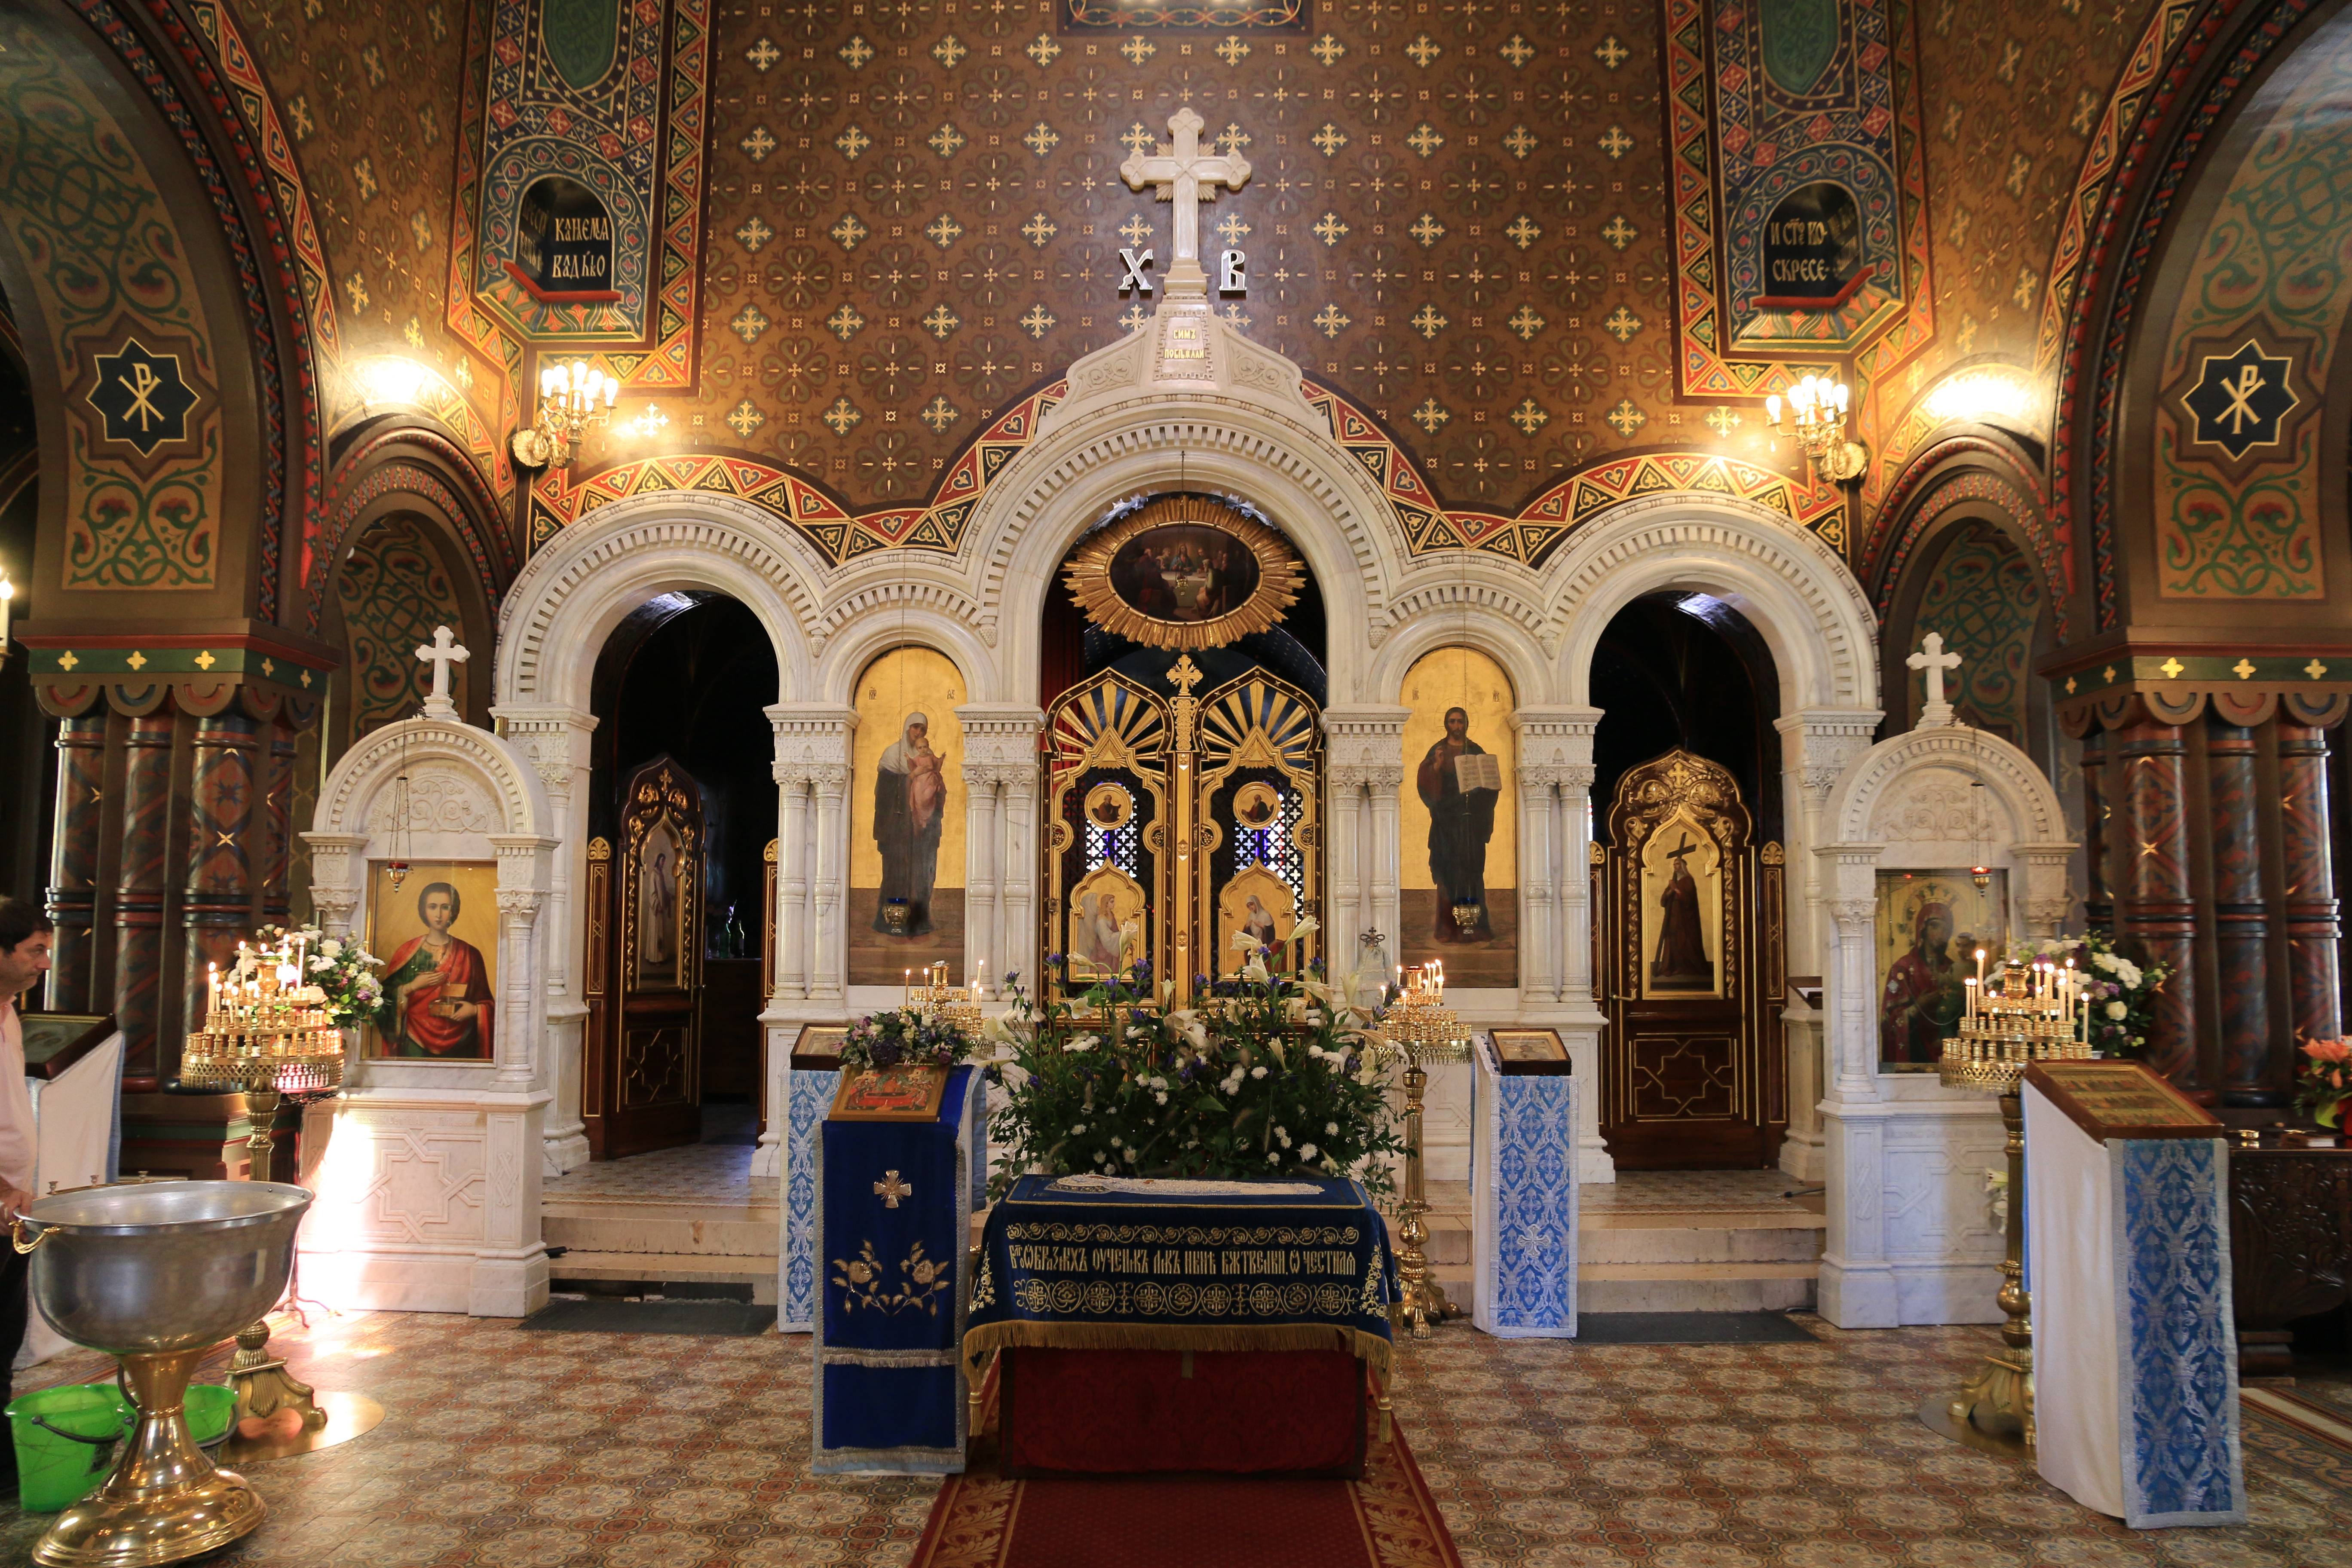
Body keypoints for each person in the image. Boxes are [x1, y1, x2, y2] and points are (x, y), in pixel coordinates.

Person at [0, 899, 50, 1495]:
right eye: (35, 950)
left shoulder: (10, 1012)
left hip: (12, 1206)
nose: (45, 962)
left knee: (5, 1333)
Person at [379, 882, 495, 1057]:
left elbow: (487, 1002)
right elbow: (383, 1001)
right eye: (432, 907)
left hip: (462, 1040)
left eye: (445, 907)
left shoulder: (470, 954)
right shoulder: (408, 952)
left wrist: (474, 1010)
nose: (439, 915)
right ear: (423, 910)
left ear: (454, 911)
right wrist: (412, 986)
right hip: (415, 1040)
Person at [1415, 707, 1498, 942]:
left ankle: (1477, 928)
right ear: (1446, 724)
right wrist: (1436, 768)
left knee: (1472, 873)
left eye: (1460, 722)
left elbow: (1491, 787)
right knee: (1448, 873)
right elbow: (1424, 783)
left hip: (1471, 824)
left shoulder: (1476, 751)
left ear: (1466, 724)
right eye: (1452, 722)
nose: (1457, 726)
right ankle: (1448, 928)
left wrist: (1482, 789)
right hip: (1446, 824)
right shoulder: (1438, 751)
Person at [873, 713, 948, 934]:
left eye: (923, 729)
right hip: (897, 828)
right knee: (897, 871)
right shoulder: (892, 755)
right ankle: (891, 920)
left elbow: (938, 787)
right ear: (907, 728)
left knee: (923, 871)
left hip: (923, 827)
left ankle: (919, 920)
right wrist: (911, 777)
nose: (919, 732)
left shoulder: (929, 757)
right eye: (915, 727)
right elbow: (883, 792)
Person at [1881, 902, 1960, 1063]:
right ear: (1922, 930)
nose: (1941, 934)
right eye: (1935, 927)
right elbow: (1889, 1021)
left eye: (1946, 929)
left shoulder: (1953, 969)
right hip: (1915, 1051)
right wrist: (1918, 1006)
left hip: (1949, 1052)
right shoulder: (1901, 969)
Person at [1650, 835, 1713, 989]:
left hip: (1685, 920)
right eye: (1674, 864)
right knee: (1673, 943)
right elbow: (1663, 901)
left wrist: (1676, 890)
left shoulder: (1688, 881)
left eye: (1678, 864)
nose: (1675, 866)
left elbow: (1689, 900)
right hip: (1673, 919)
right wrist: (1670, 891)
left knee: (1685, 943)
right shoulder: (1674, 882)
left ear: (1683, 866)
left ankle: (1686, 967)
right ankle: (1673, 967)